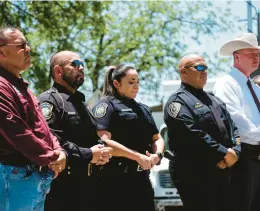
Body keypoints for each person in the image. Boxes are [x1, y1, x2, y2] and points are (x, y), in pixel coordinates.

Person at [0, 27, 67, 211]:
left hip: (32, 178)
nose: (28, 48)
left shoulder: (23, 88)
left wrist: (59, 150)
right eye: (21, 45)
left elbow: (42, 127)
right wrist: (52, 156)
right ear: (2, 52)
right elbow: (16, 131)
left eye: (27, 43)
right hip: (15, 178)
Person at [164, 54, 241, 211]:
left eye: (206, 68)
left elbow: (233, 128)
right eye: (199, 67)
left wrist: (236, 151)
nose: (204, 71)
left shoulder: (214, 100)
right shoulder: (177, 102)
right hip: (195, 173)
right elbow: (192, 134)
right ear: (183, 72)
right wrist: (224, 153)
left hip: (223, 169)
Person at [38, 51, 113, 211]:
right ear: (58, 71)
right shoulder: (49, 100)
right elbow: (52, 140)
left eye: (82, 65)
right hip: (64, 188)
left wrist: (102, 150)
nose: (81, 68)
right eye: (75, 64)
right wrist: (89, 154)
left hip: (92, 186)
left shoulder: (82, 103)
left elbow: (91, 137)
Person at [92, 64, 165, 211]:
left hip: (142, 181)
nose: (136, 86)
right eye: (131, 82)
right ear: (116, 83)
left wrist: (157, 155)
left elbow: (157, 138)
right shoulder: (106, 105)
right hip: (114, 182)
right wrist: (137, 157)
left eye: (138, 82)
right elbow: (104, 142)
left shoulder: (143, 108)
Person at [213, 33, 260, 211]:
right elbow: (236, 122)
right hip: (243, 156)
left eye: (257, 54)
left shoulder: (254, 87)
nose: (256, 58)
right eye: (251, 54)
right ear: (237, 56)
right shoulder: (226, 83)